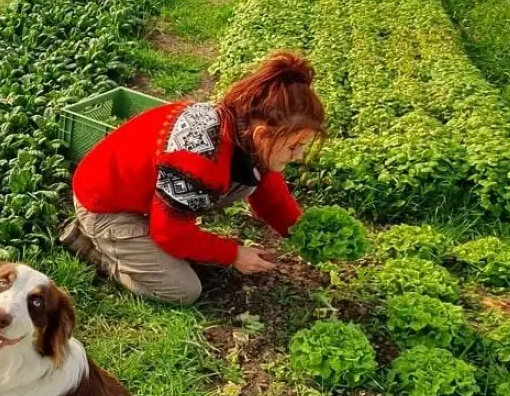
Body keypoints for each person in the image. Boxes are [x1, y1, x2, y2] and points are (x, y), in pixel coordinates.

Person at [60, 51, 327, 305]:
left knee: (246, 182)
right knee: (183, 289)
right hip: (103, 206)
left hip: (139, 194)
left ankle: (147, 229)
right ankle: (92, 245)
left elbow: (270, 192)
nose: (299, 155)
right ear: (261, 135)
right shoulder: (198, 158)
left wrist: (303, 233)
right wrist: (233, 254)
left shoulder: (241, 128)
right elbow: (170, 234)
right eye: (294, 146)